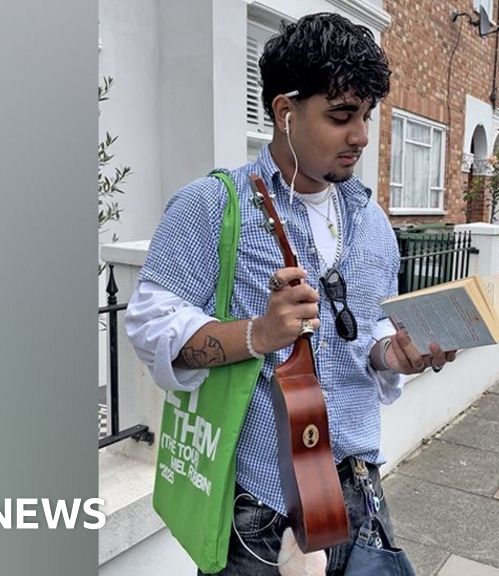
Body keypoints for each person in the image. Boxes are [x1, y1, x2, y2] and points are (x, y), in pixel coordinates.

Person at [125, 12, 456, 575]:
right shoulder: (213, 206)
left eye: (367, 115)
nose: (361, 135)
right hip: (255, 495)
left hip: (354, 482)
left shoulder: (370, 221)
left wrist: (392, 351)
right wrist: (258, 332)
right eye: (341, 115)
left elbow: (369, 327)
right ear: (285, 111)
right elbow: (150, 327)